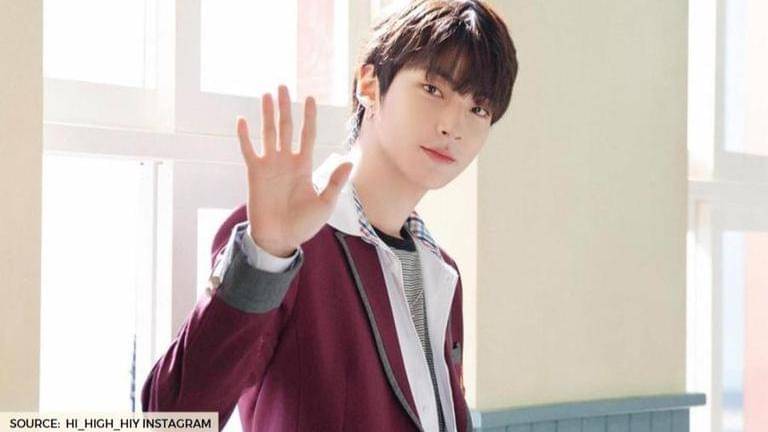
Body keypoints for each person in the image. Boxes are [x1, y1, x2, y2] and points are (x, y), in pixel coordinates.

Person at [141, 1, 518, 430]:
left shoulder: (441, 270)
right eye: (433, 89)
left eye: (478, 109)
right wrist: (266, 255)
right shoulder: (285, 244)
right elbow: (172, 415)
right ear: (369, 85)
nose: (453, 126)